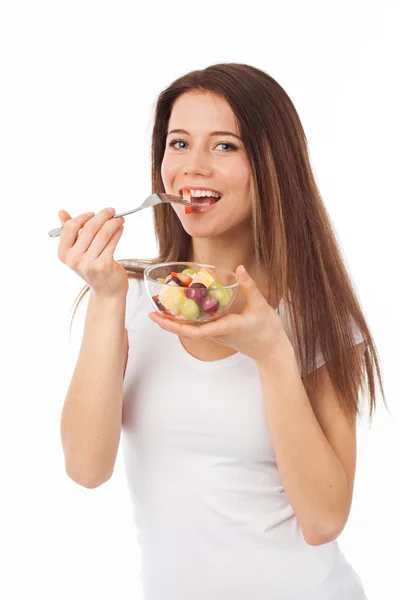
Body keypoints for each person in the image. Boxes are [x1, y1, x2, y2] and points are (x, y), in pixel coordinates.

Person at [58, 63, 388, 600]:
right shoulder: (126, 299)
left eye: (225, 147)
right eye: (179, 143)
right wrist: (108, 296)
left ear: (272, 164)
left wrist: (272, 353)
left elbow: (324, 519)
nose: (193, 167)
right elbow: (85, 467)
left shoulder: (318, 316)